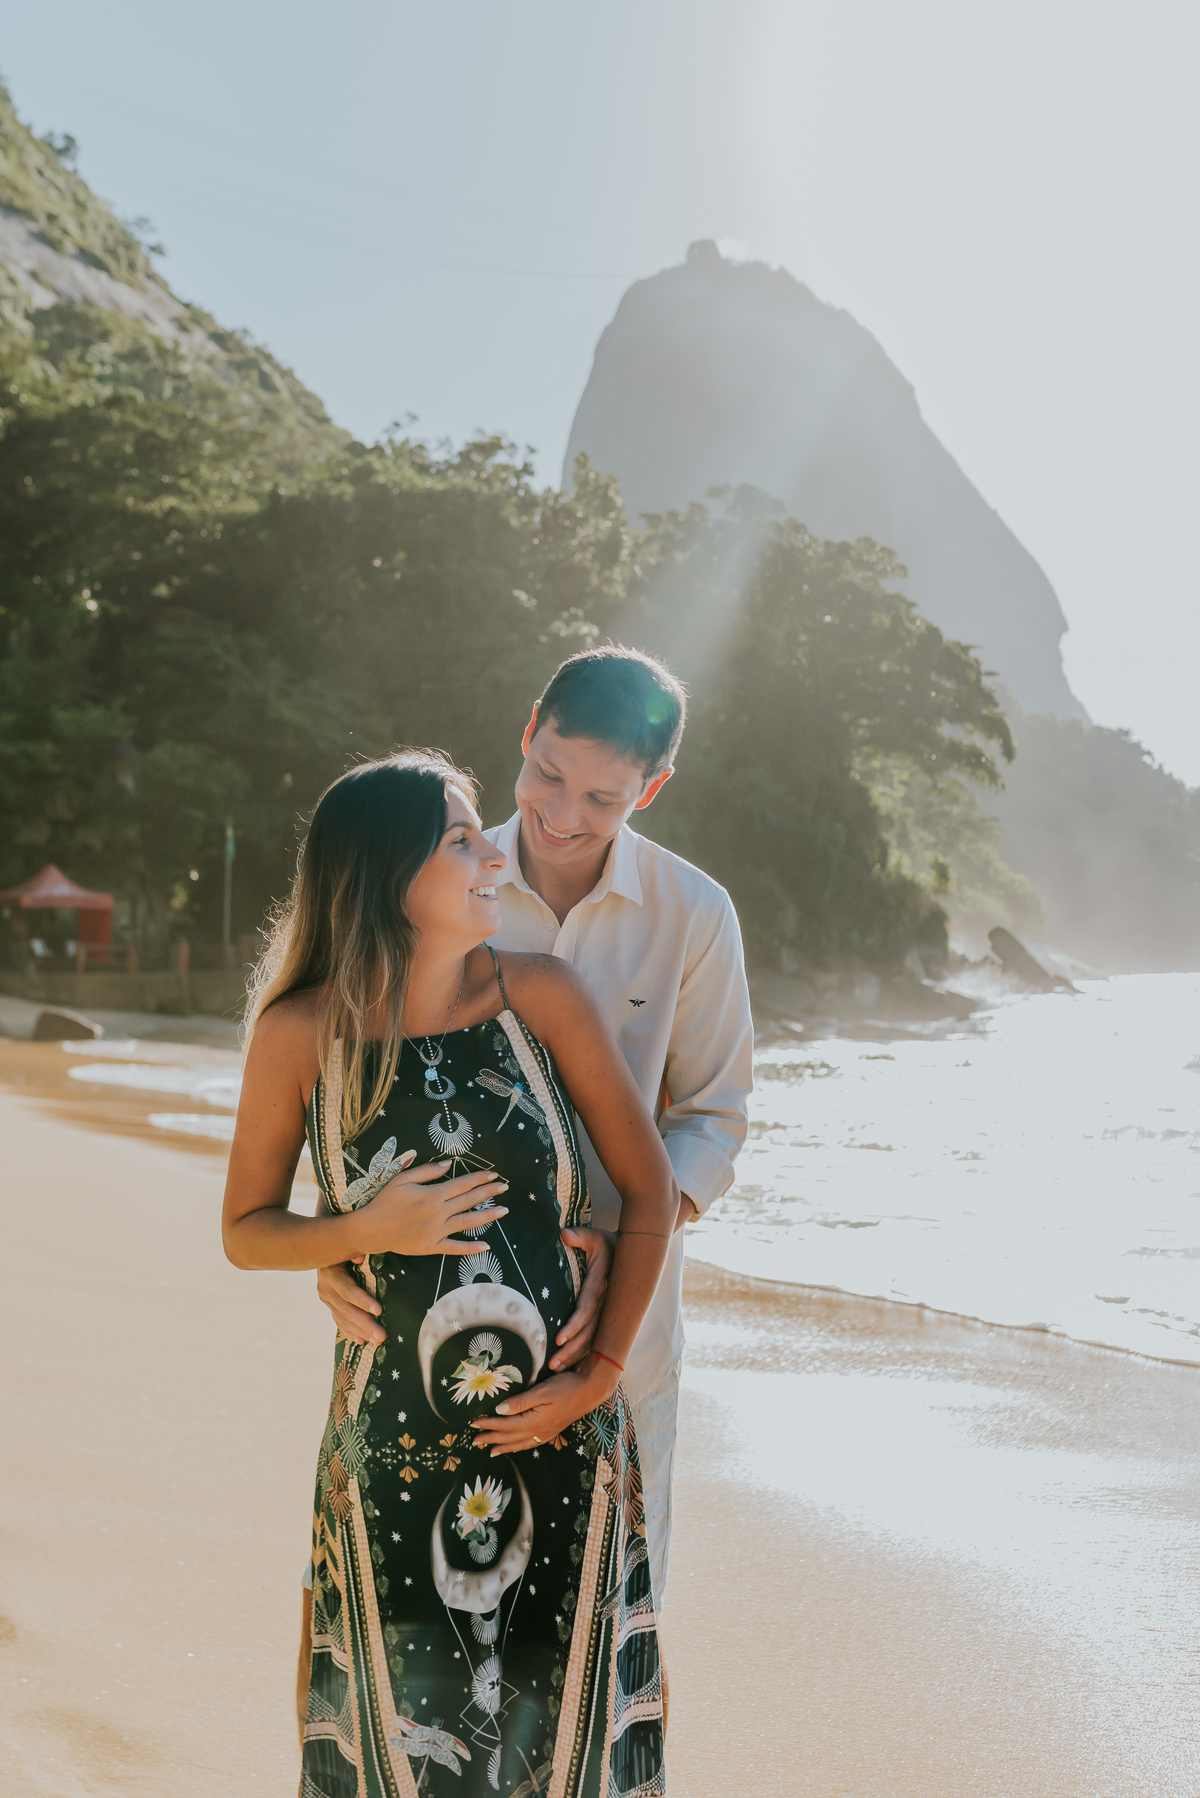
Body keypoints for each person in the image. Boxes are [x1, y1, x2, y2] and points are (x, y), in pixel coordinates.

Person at [223, 749, 676, 1798]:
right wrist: (360, 1227)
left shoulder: (544, 999)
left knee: (554, 1732)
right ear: (388, 874)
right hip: (392, 1446)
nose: (490, 856)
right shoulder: (301, 1032)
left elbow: (648, 1193)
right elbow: (247, 1228)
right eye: (460, 838)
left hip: (560, 1433)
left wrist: (601, 1371)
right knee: (406, 1724)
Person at [317, 647, 754, 1620]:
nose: (562, 815)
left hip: (624, 1321)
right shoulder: (441, 876)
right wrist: (337, 1230)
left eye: (603, 798)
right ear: (526, 731)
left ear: (654, 786)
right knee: (431, 1599)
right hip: (443, 1304)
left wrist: (625, 1240)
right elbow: (368, 1067)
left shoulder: (695, 914)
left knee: (607, 1608)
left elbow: (715, 1116)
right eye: (548, 774)